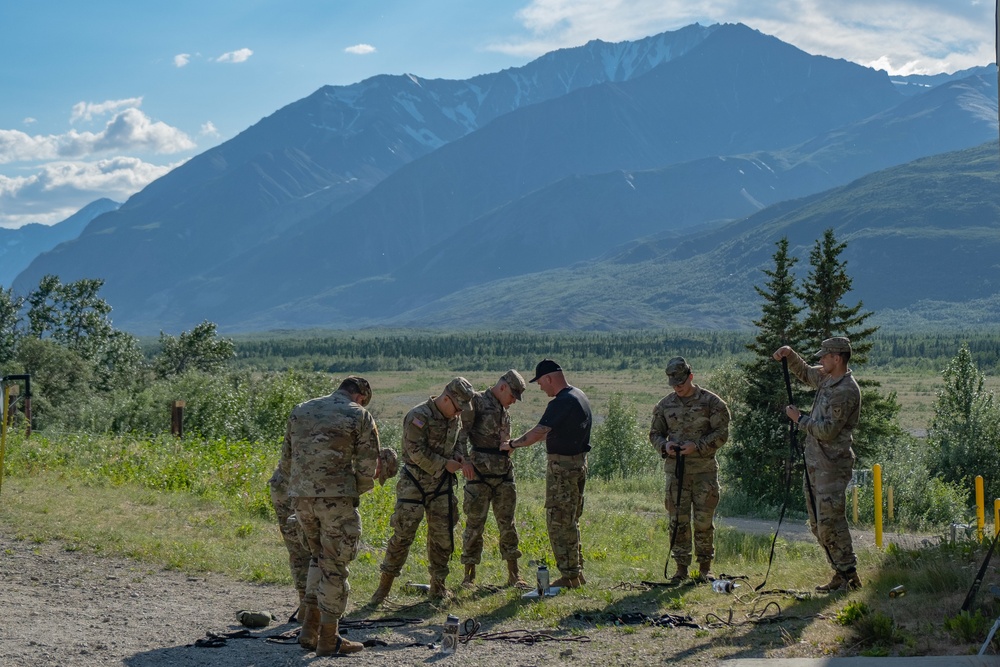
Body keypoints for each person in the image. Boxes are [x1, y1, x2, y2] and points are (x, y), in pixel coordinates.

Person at [285, 376, 380, 656]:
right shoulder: (359, 414)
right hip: (335, 499)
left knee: (318, 557)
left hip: (301, 498)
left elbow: (287, 459)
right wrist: (354, 493)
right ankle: (329, 639)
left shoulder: (301, 409)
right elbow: (367, 466)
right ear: (360, 396)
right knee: (335, 565)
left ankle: (308, 629)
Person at [370, 377, 477, 604]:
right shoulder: (418, 416)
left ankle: (438, 588)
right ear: (446, 399)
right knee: (402, 534)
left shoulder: (452, 418)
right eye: (457, 408)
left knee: (442, 537)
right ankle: (383, 590)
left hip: (441, 486)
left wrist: (459, 456)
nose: (458, 414)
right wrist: (444, 464)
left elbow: (457, 443)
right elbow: (415, 451)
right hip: (414, 484)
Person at [773, 337, 862, 592]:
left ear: (838, 358)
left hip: (832, 466)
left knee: (831, 522)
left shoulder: (846, 390)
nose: (820, 359)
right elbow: (804, 372)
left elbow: (828, 431)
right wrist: (790, 355)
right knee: (817, 524)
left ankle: (850, 576)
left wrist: (799, 418)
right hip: (816, 463)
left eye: (825, 356)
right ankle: (839, 573)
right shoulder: (827, 378)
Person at [501, 359, 591, 588]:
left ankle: (569, 576)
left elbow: (539, 431)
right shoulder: (579, 395)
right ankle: (576, 571)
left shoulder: (561, 402)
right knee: (571, 520)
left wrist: (512, 444)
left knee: (559, 521)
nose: (541, 388)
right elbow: (547, 433)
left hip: (563, 471)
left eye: (541, 383)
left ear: (550, 378)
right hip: (577, 465)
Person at [649, 357, 730, 583]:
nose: (678, 387)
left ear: (690, 377)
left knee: (703, 521)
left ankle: (705, 568)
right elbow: (654, 434)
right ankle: (680, 568)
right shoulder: (664, 405)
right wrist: (664, 446)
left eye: (681, 383)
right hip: (676, 472)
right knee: (677, 521)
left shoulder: (712, 403)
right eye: (674, 384)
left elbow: (722, 433)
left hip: (704, 472)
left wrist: (698, 446)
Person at [457, 369, 530, 587]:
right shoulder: (475, 402)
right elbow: (460, 434)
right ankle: (468, 576)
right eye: (512, 396)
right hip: (479, 474)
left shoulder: (503, 409)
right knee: (474, 525)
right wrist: (465, 462)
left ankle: (514, 575)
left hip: (503, 473)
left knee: (508, 524)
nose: (513, 402)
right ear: (503, 387)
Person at [267, 455, 311, 621]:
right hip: (302, 485)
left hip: (290, 483)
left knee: (300, 548)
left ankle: (308, 606)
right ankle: (309, 607)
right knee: (310, 546)